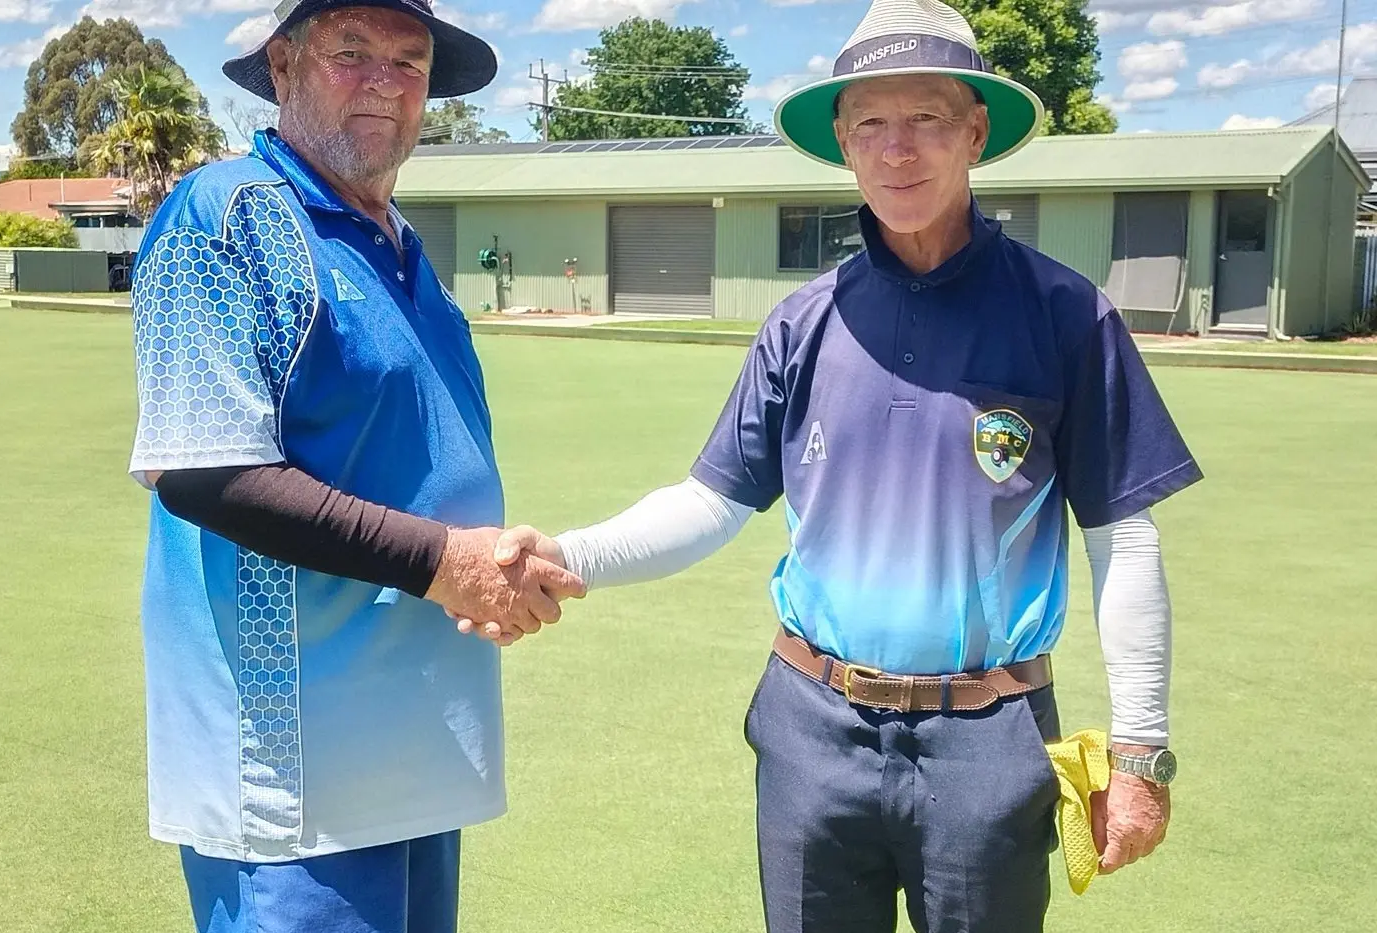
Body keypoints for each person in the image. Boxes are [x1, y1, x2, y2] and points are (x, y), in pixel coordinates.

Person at [467, 0, 1201, 930]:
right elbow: (709, 503)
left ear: (975, 131)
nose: (899, 150)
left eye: (926, 119)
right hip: (812, 729)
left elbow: (1124, 540)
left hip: (988, 737)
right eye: (871, 125)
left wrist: (1142, 751)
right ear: (844, 146)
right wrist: (564, 554)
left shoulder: (1065, 314)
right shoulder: (803, 322)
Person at [125, 2, 585, 931]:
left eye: (409, 62)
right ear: (284, 65)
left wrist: (482, 563)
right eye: (352, 54)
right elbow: (207, 475)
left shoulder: (397, 241)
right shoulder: (223, 217)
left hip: (414, 749)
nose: (386, 82)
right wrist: (444, 562)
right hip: (294, 779)